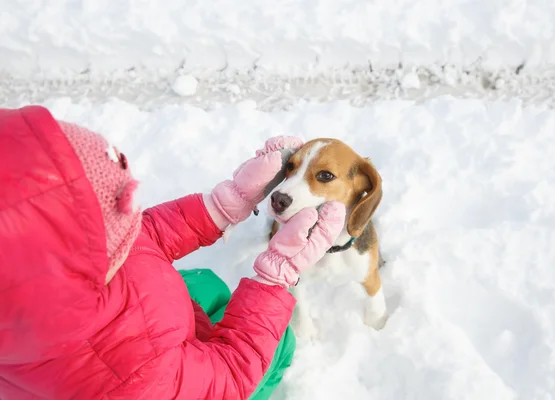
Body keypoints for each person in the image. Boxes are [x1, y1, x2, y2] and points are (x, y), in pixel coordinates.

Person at [0, 105, 345, 399]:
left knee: (206, 285)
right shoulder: (138, 375)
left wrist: (223, 206)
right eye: (119, 209)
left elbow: (139, 238)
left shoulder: (44, 278)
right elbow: (232, 374)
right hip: (187, 376)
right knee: (278, 341)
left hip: (146, 321)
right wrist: (276, 275)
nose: (131, 211)